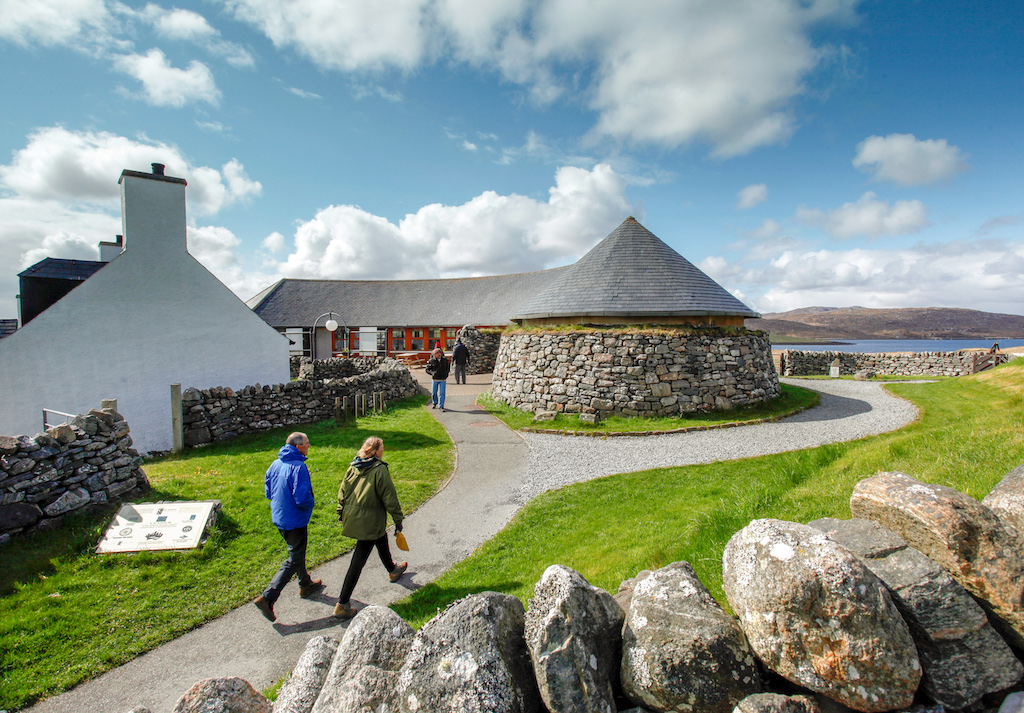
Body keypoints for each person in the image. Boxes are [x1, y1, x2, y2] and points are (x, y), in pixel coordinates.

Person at [334, 436, 407, 619]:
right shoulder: (379, 469)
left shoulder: (354, 466)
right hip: (369, 519)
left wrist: (340, 511)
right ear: (375, 451)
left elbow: (342, 491)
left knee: (380, 537)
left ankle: (392, 569)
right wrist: (398, 519)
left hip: (355, 515)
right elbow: (389, 497)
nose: (383, 449)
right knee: (358, 560)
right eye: (381, 447)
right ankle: (342, 603)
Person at [254, 432, 324, 622]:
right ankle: (268, 597)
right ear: (298, 446)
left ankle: (305, 583)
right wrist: (312, 502)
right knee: (294, 558)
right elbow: (302, 499)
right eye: (307, 443)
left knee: (297, 552)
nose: (309, 446)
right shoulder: (299, 467)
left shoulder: (275, 463)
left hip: (279, 516)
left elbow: (268, 490)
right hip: (294, 519)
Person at [425, 347, 450, 411]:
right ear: (434, 354)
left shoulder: (445, 360)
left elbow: (448, 368)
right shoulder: (432, 361)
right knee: (434, 392)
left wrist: (446, 374)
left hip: (443, 379)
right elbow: (427, 369)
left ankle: (441, 406)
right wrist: (432, 373)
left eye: (440, 353)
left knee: (442, 393)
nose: (439, 354)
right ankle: (434, 402)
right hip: (435, 379)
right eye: (437, 353)